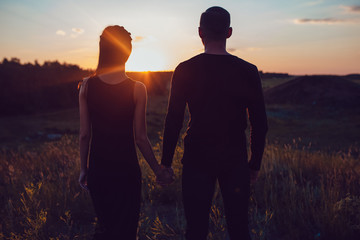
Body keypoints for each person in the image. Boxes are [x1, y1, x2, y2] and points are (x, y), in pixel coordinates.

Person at [161, 6, 268, 240]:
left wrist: (166, 163)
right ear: (229, 32)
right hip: (235, 158)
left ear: (200, 32)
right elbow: (260, 122)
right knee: (239, 228)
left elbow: (174, 119)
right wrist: (254, 164)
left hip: (197, 158)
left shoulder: (185, 69)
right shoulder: (248, 71)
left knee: (196, 229)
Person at [78, 25, 173, 240]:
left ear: (103, 50)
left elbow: (85, 134)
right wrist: (158, 170)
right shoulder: (137, 88)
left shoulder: (86, 86)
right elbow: (140, 137)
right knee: (126, 231)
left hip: (98, 172)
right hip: (126, 172)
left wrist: (84, 170)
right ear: (127, 52)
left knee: (104, 229)